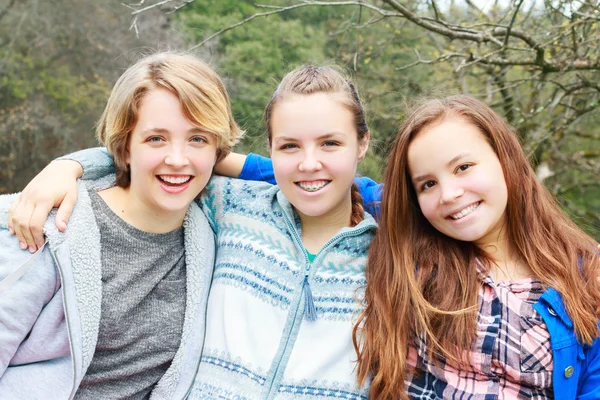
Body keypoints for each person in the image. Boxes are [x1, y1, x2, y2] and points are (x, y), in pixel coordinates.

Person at [7, 65, 380, 398]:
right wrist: (68, 166)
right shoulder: (229, 206)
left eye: (330, 143)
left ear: (362, 143)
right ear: (271, 149)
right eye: (290, 146)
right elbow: (147, 157)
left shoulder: (389, 256)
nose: (308, 163)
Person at [0, 52, 243, 399]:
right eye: (156, 139)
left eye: (197, 139)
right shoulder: (49, 224)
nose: (177, 159)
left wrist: (72, 163)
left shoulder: (219, 231)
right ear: (125, 146)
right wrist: (67, 167)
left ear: (218, 149)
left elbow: (311, 177)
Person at [352, 95, 600, 399]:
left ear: (504, 157)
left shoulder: (585, 280)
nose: (449, 194)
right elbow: (322, 178)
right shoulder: (413, 243)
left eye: (463, 167)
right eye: (427, 184)